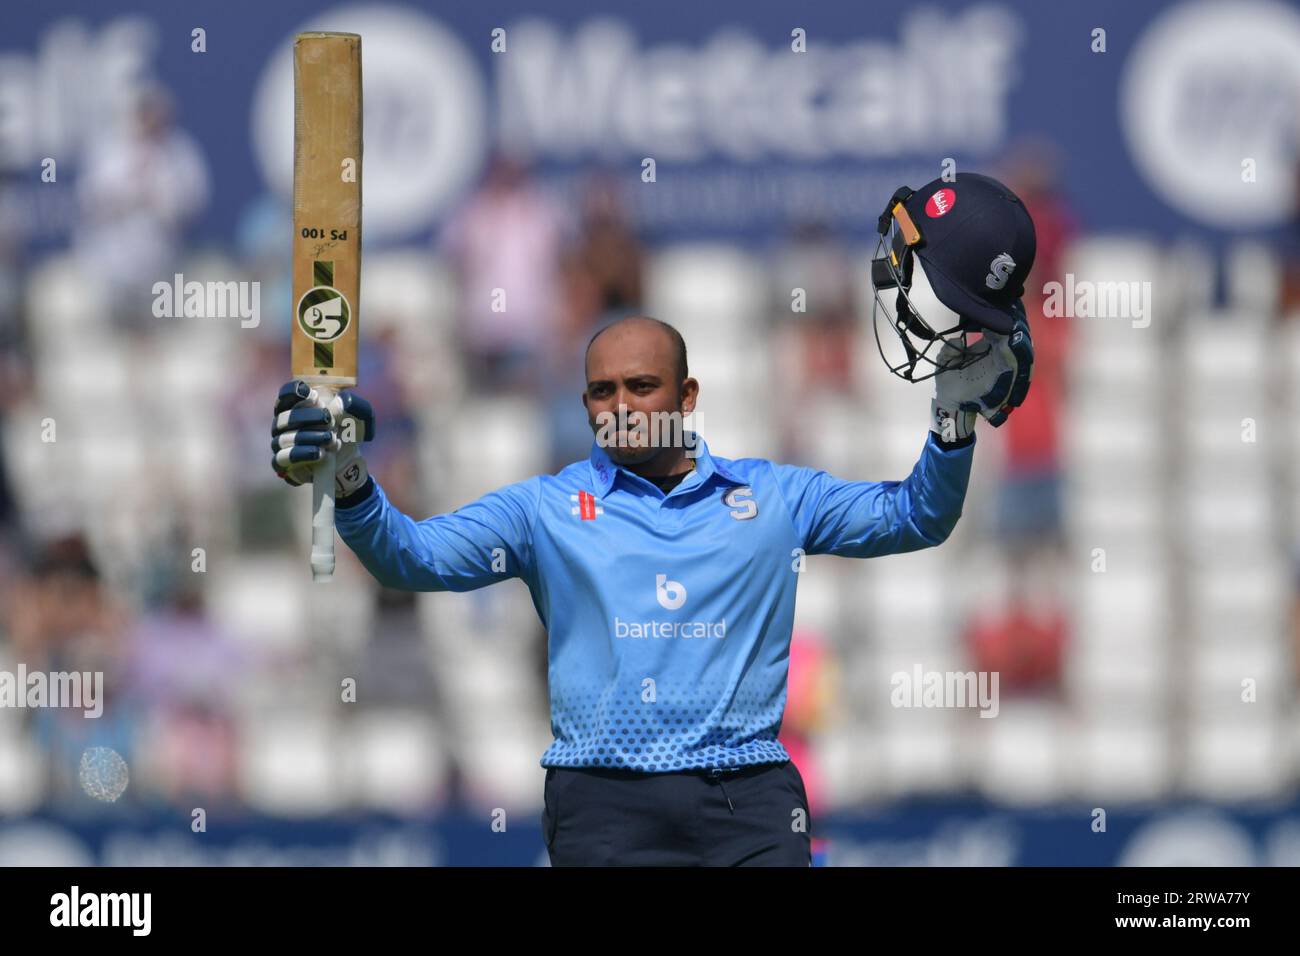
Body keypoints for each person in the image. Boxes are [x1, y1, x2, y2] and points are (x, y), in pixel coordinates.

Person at [270, 173, 1036, 867]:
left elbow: (917, 518)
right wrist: (346, 476)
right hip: (604, 803)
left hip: (748, 797)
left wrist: (951, 423)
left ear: (688, 395)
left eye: (642, 386)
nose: (622, 407)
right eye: (602, 392)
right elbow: (412, 559)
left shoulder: (770, 498)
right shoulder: (546, 510)